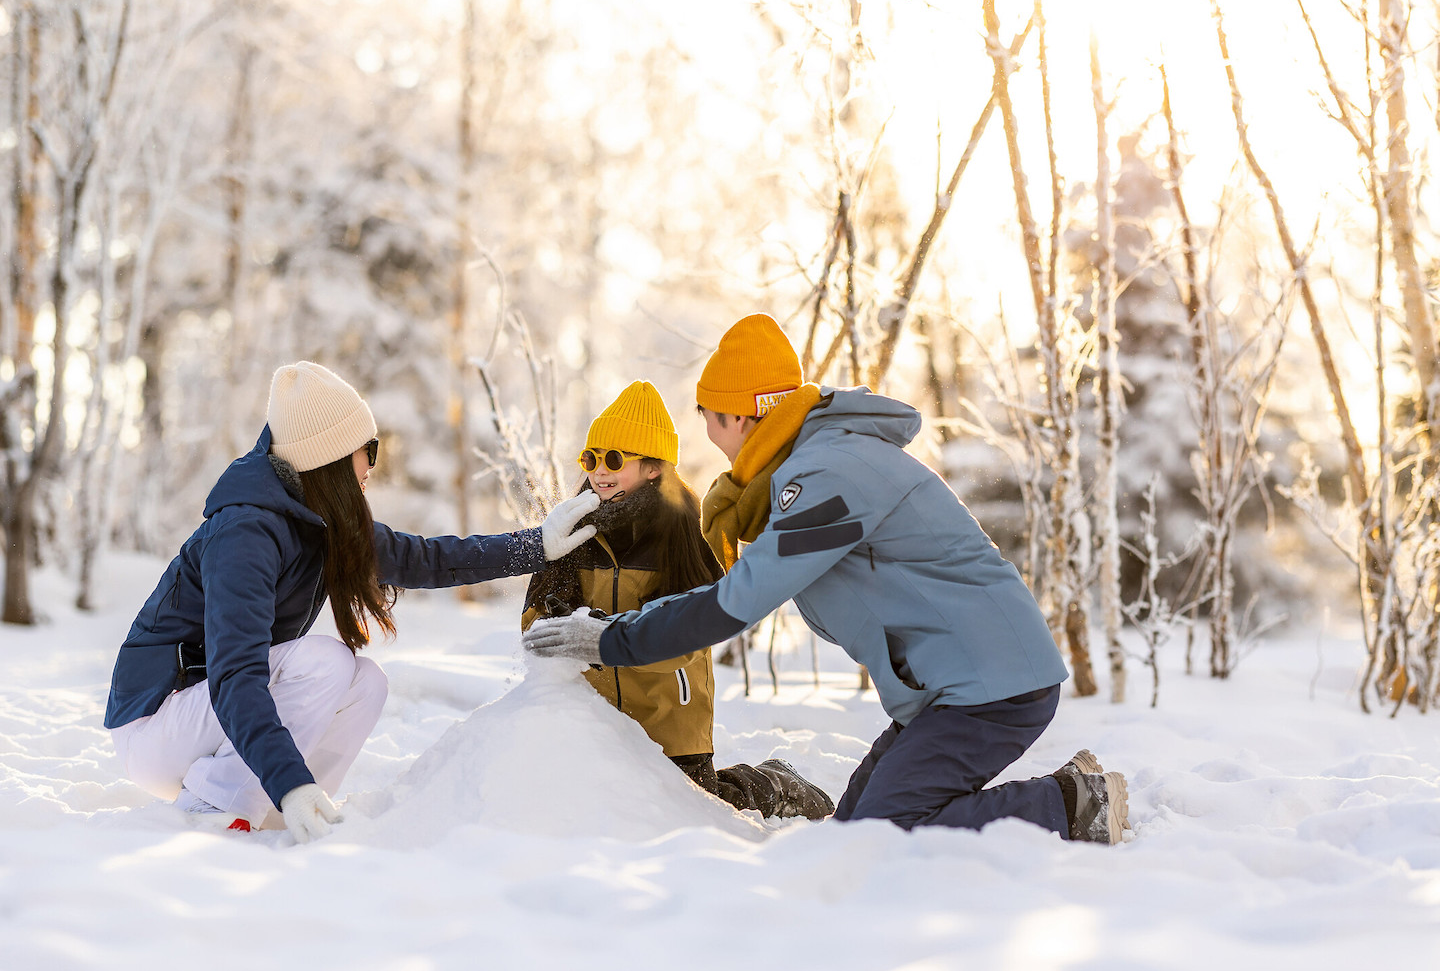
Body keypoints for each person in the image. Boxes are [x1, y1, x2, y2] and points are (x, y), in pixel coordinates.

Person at [523, 315, 1130, 843]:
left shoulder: (828, 474)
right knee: (854, 833)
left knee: (892, 833)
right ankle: (1060, 801)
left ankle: (1074, 804)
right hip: (949, 689)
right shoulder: (808, 470)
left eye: (709, 416)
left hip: (992, 685)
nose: (708, 431)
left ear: (740, 414)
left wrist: (612, 639)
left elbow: (735, 603)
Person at [105, 360, 599, 843]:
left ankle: (283, 813)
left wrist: (537, 546)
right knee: (326, 663)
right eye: (369, 449)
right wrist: (288, 778)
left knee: (366, 683)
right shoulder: (246, 532)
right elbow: (236, 676)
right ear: (332, 457)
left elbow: (429, 559)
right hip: (156, 725)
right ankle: (221, 804)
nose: (373, 464)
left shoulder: (323, 523)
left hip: (206, 722)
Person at [520, 380, 832, 820]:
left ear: (653, 468)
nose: (599, 473)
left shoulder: (685, 530)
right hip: (596, 725)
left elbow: (686, 637)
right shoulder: (572, 529)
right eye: (591, 459)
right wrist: (556, 620)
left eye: (614, 459)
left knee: (703, 808)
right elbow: (531, 623)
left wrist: (602, 636)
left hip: (672, 726)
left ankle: (775, 781)